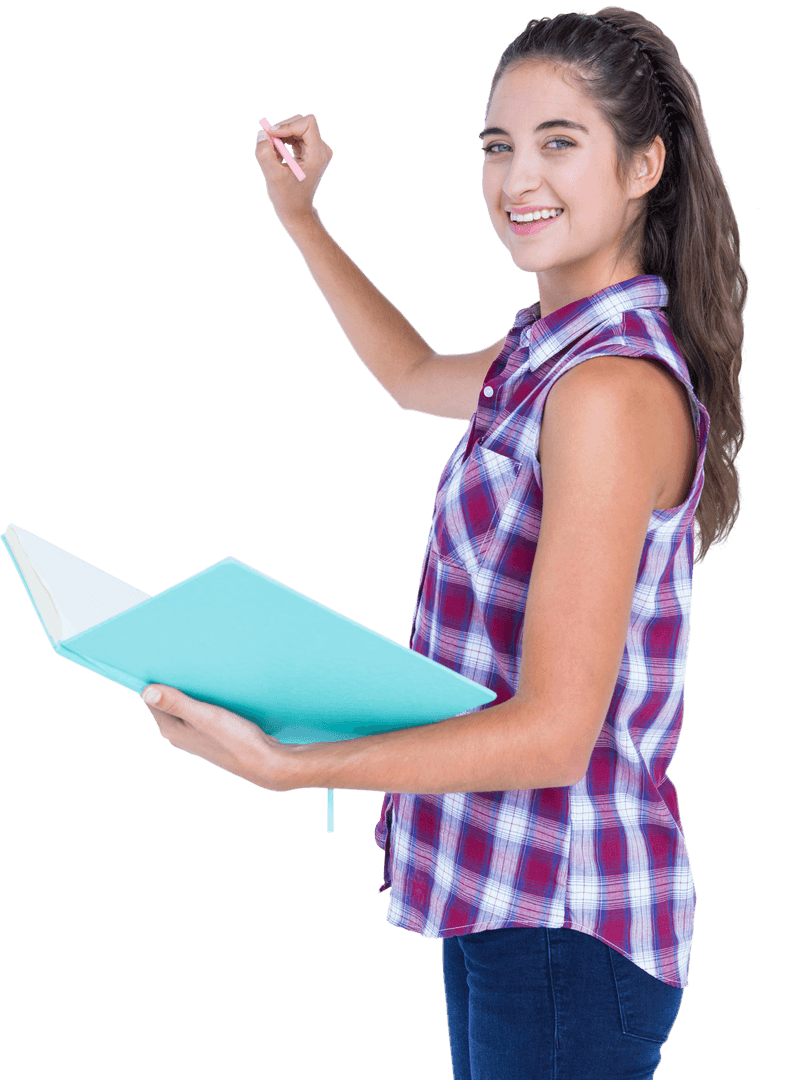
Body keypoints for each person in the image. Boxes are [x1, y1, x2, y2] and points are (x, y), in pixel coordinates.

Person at [252, 7, 747, 1077]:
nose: (516, 178)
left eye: (557, 141)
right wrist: (302, 218)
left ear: (642, 165)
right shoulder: (544, 358)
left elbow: (554, 736)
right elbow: (407, 374)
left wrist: (295, 768)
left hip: (564, 922)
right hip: (501, 894)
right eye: (496, 146)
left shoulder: (608, 391)